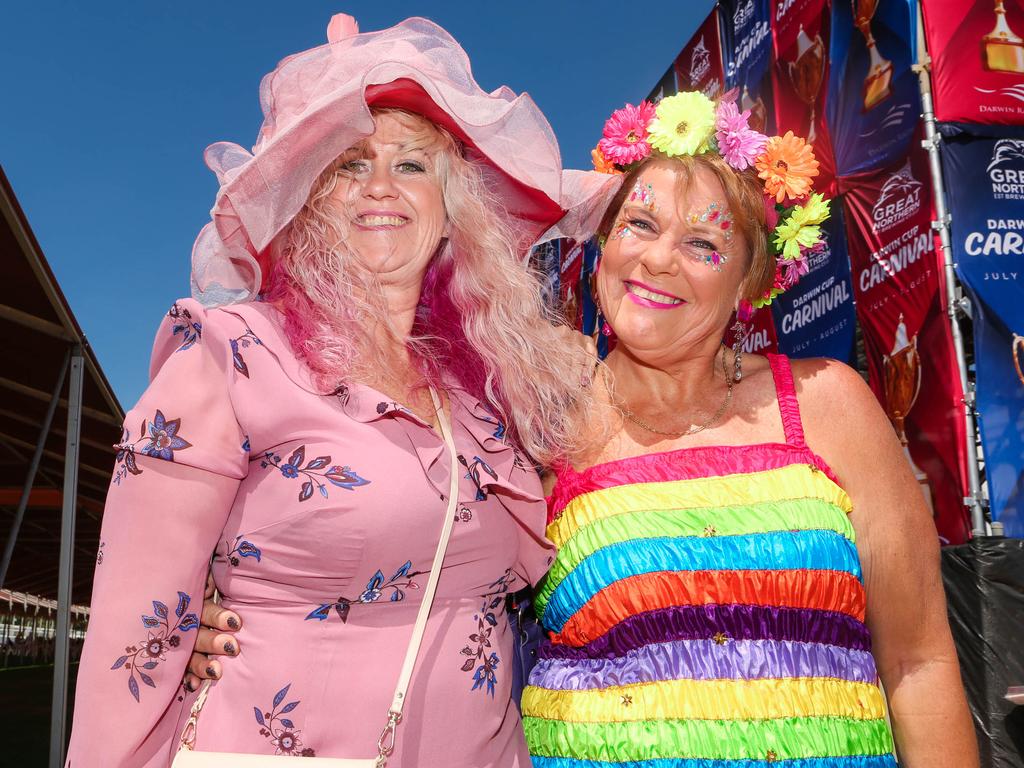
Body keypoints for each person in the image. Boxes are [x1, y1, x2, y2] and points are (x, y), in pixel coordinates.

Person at [64, 15, 612, 767]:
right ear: (309, 199)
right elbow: (135, 637)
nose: (381, 186)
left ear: (454, 209)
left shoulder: (483, 391)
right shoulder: (230, 356)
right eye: (351, 163)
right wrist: (187, 628)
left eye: (413, 166)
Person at [518, 93, 978, 767]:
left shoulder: (831, 405)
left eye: (702, 242)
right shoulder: (542, 419)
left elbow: (917, 661)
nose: (659, 260)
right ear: (603, 246)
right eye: (640, 225)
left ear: (749, 281)